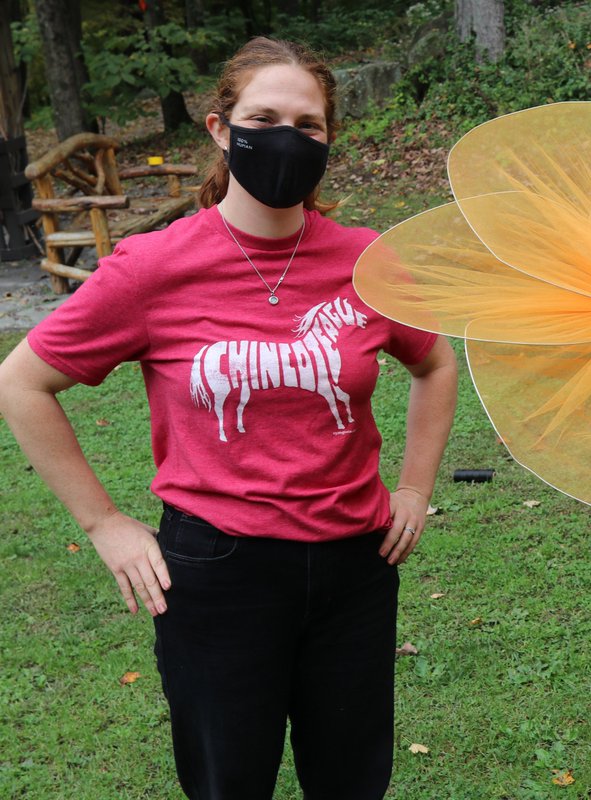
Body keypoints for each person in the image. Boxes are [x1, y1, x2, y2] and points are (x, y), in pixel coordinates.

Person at [0, 37, 457, 799]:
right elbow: (22, 383)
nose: (287, 138)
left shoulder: (369, 261)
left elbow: (434, 362)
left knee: (352, 781)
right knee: (227, 782)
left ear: (328, 138)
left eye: (307, 125)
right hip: (217, 573)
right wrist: (104, 522)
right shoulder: (153, 266)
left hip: (356, 567)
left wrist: (412, 490)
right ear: (221, 129)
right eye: (264, 118)